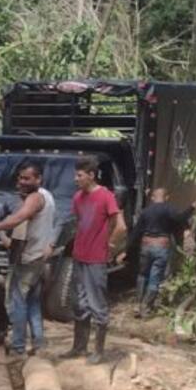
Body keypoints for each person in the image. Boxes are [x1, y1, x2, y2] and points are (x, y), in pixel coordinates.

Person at [0, 161, 57, 357]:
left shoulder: (36, 198)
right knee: (33, 302)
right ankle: (38, 344)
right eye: (20, 178)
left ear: (38, 179)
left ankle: (19, 347)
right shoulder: (47, 195)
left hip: (29, 259)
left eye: (27, 178)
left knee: (17, 302)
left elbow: (20, 217)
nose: (22, 182)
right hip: (37, 257)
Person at [61, 155, 126, 365]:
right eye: (75, 175)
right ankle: (79, 347)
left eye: (79, 175)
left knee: (97, 304)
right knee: (80, 304)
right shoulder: (77, 198)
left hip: (96, 259)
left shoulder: (105, 196)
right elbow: (78, 224)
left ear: (91, 175)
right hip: (79, 257)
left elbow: (121, 226)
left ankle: (98, 351)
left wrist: (110, 246)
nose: (76, 179)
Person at [120, 188, 196, 317]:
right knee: (155, 277)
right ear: (166, 197)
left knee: (142, 275)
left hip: (146, 245)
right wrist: (192, 207)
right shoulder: (169, 209)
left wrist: (125, 251)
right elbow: (181, 218)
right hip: (161, 246)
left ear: (152, 198)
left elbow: (136, 232)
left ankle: (137, 304)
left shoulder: (145, 212)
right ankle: (146, 307)